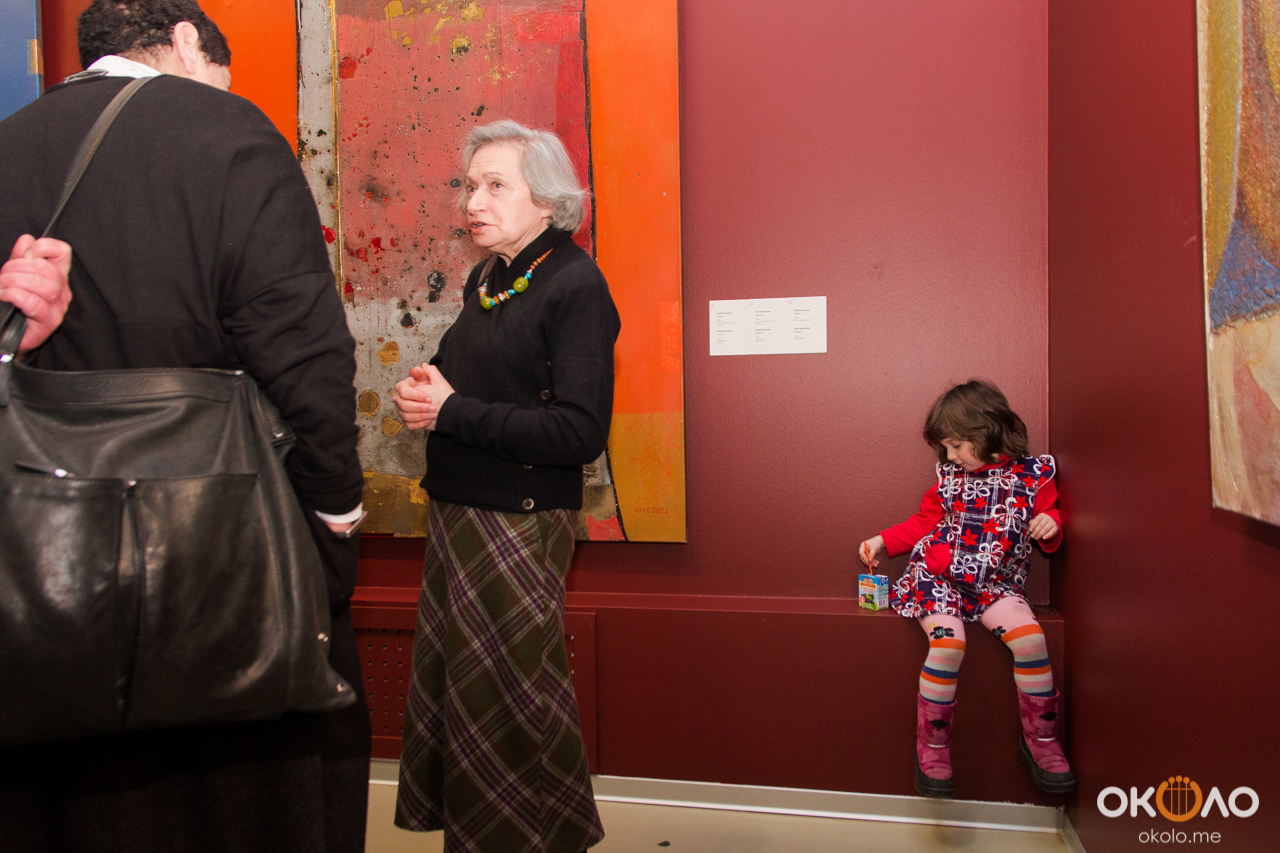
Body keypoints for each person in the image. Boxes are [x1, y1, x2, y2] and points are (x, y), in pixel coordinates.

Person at [0, 2, 370, 850]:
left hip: (38, 570)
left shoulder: (8, 143)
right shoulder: (229, 132)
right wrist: (335, 510)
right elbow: (303, 350)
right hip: (216, 551)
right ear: (186, 41)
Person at [392, 119, 618, 853]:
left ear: (547, 201)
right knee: (470, 691)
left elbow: (578, 432)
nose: (473, 202)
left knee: (512, 695)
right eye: (470, 185)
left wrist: (452, 410)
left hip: (519, 519)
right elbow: (471, 377)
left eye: (495, 185)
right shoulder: (489, 278)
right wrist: (427, 386)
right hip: (460, 513)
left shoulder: (576, 285)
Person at [858, 380, 1076, 799]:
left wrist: (1050, 525)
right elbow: (922, 523)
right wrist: (883, 540)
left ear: (989, 431)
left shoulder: (1034, 476)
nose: (950, 455)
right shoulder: (950, 479)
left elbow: (1048, 518)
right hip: (938, 578)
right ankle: (933, 746)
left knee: (1031, 641)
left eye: (956, 445)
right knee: (948, 645)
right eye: (945, 448)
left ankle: (1041, 740)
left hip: (996, 583)